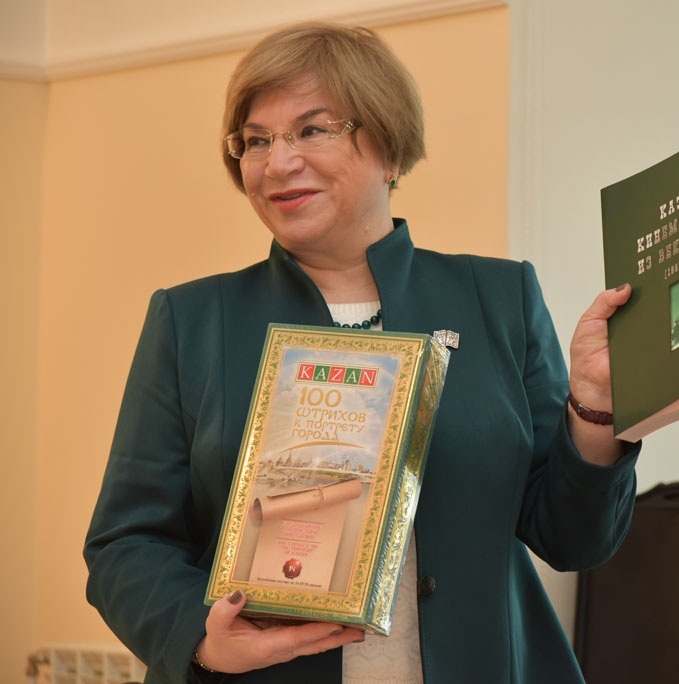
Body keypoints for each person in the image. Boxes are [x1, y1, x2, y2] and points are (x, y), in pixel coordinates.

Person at [84, 22, 640, 684]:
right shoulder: (192, 320)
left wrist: (595, 411)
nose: (278, 163)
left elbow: (573, 539)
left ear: (389, 148)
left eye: (312, 130)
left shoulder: (498, 296)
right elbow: (126, 543)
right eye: (256, 140)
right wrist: (200, 639)